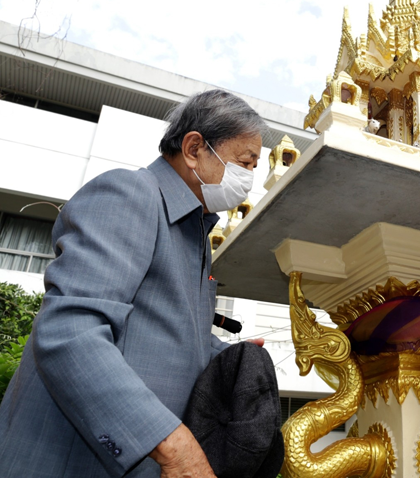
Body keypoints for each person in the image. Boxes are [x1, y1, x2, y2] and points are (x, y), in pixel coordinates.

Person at [0, 90, 267, 477]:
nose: (248, 179)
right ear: (194, 148)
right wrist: (173, 446)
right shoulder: (130, 194)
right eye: (245, 163)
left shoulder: (195, 237)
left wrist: (225, 356)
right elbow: (70, 331)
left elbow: (162, 333)